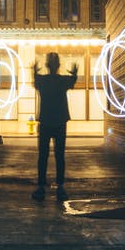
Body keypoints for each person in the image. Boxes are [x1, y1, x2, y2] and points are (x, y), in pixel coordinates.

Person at [31, 52, 78, 201]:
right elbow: (72, 81)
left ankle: (41, 187)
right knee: (59, 155)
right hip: (59, 122)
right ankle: (60, 187)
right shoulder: (63, 81)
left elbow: (35, 81)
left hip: (45, 121)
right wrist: (75, 73)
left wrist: (33, 71)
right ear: (58, 66)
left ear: (46, 65)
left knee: (43, 156)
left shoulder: (41, 80)